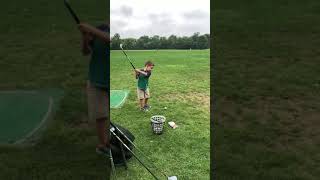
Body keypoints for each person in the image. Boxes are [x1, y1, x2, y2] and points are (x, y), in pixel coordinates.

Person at [78, 22, 110, 156]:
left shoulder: (106, 34)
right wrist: (86, 38)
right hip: (96, 81)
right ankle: (102, 145)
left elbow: (108, 39)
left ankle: (110, 141)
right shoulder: (98, 33)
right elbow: (85, 52)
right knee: (101, 115)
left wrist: (89, 29)